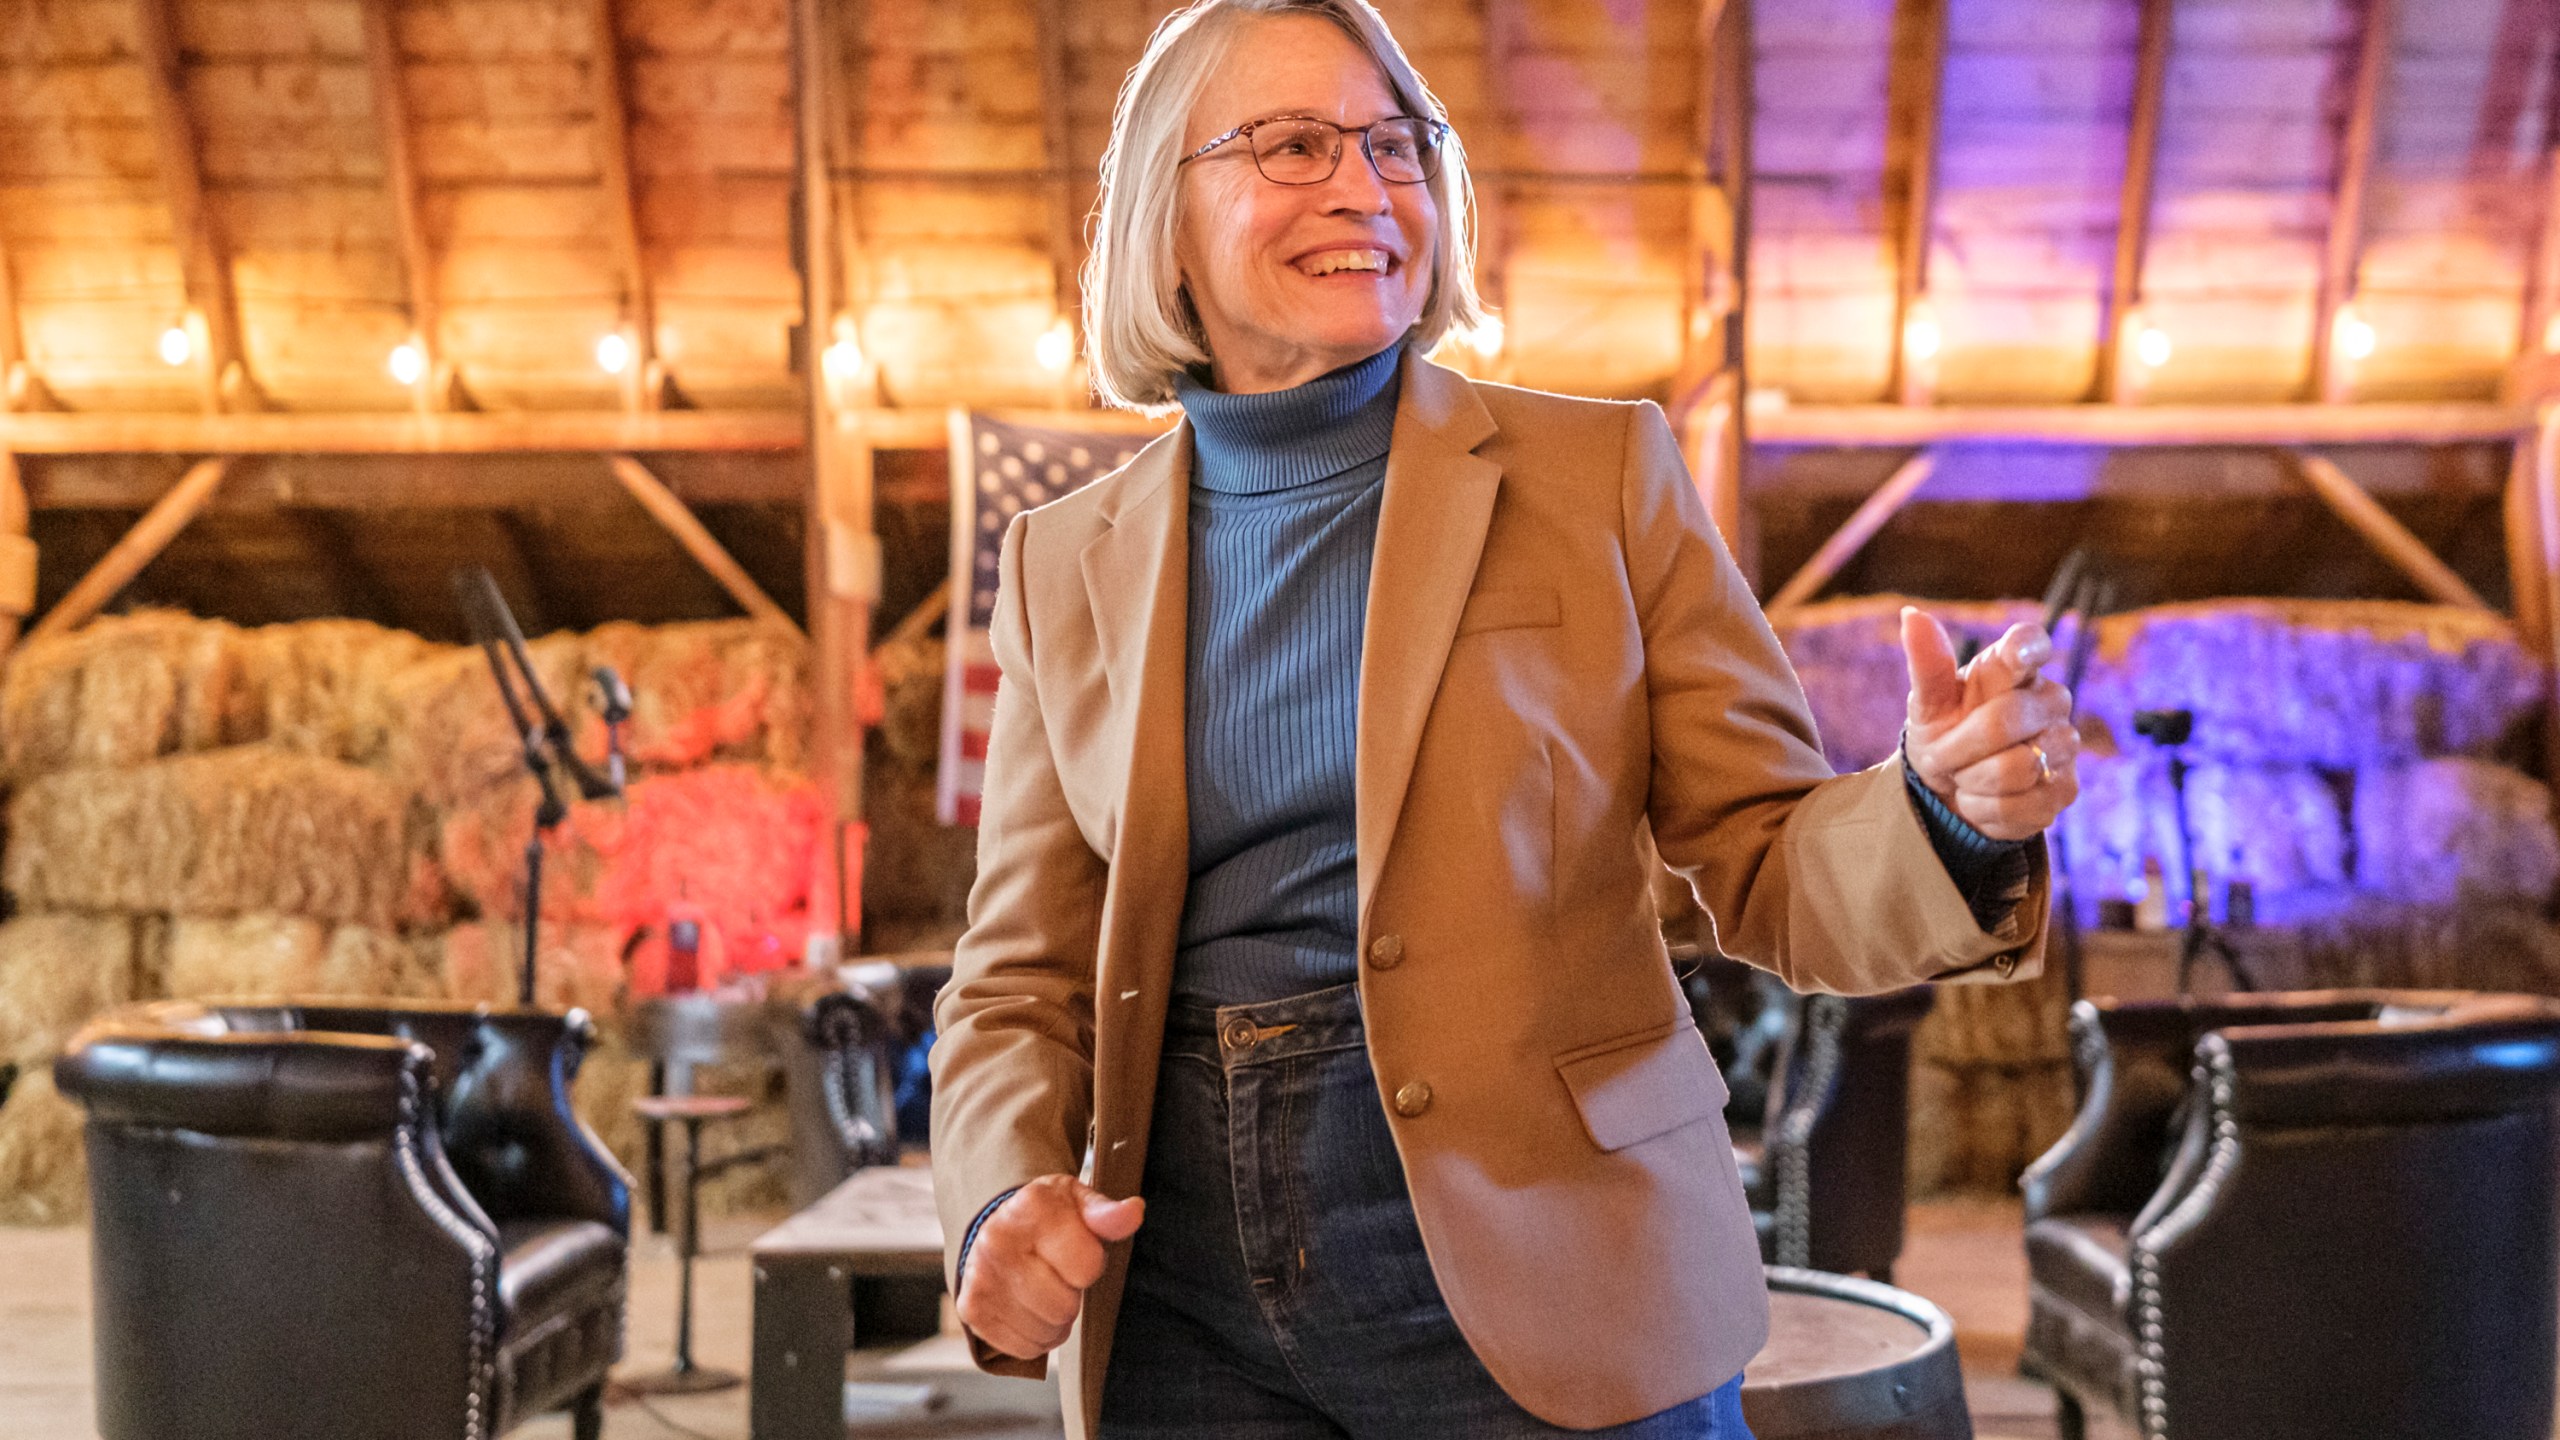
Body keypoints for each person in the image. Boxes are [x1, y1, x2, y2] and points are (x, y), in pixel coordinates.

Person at [928, 2, 2079, 1436]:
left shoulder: (1598, 475)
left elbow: (1770, 858)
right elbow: (1017, 976)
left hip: (1556, 1269)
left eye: (1396, 143)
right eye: (1291, 146)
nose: (1364, 186)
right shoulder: (1062, 564)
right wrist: (991, 1198)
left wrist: (1938, 812)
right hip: (1177, 1301)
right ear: (1165, 216)